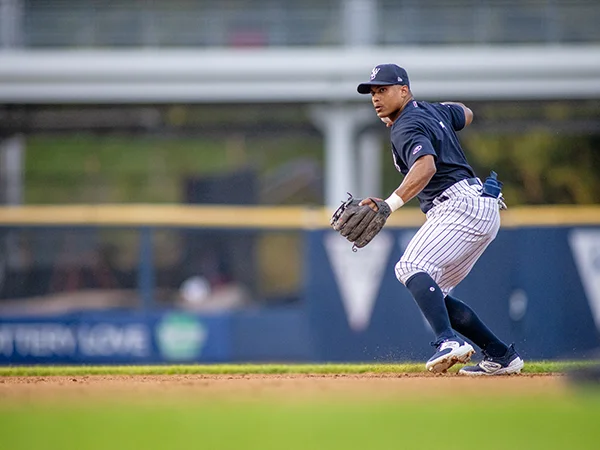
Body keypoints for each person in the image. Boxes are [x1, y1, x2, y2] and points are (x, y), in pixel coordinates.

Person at [356, 63, 524, 375]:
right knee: (436, 293)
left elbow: (426, 167)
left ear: (404, 90)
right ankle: (501, 355)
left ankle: (447, 341)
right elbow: (466, 113)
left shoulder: (405, 125)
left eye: (384, 90)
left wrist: (389, 205)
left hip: (459, 205)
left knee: (409, 267)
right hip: (479, 205)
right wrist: (441, 111)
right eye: (373, 92)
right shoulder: (430, 110)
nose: (376, 98)